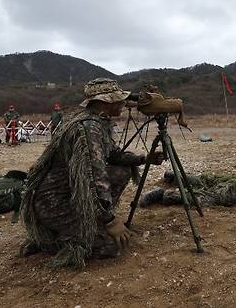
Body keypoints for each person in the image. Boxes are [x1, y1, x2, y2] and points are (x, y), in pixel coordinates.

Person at [20, 78, 163, 269]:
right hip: (55, 203)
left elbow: (113, 155)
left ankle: (90, 221)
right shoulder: (88, 127)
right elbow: (93, 176)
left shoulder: (95, 121)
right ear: (104, 103)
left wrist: (144, 159)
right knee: (111, 246)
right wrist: (110, 221)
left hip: (70, 194)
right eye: (118, 100)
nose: (122, 104)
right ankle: (51, 239)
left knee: (122, 170)